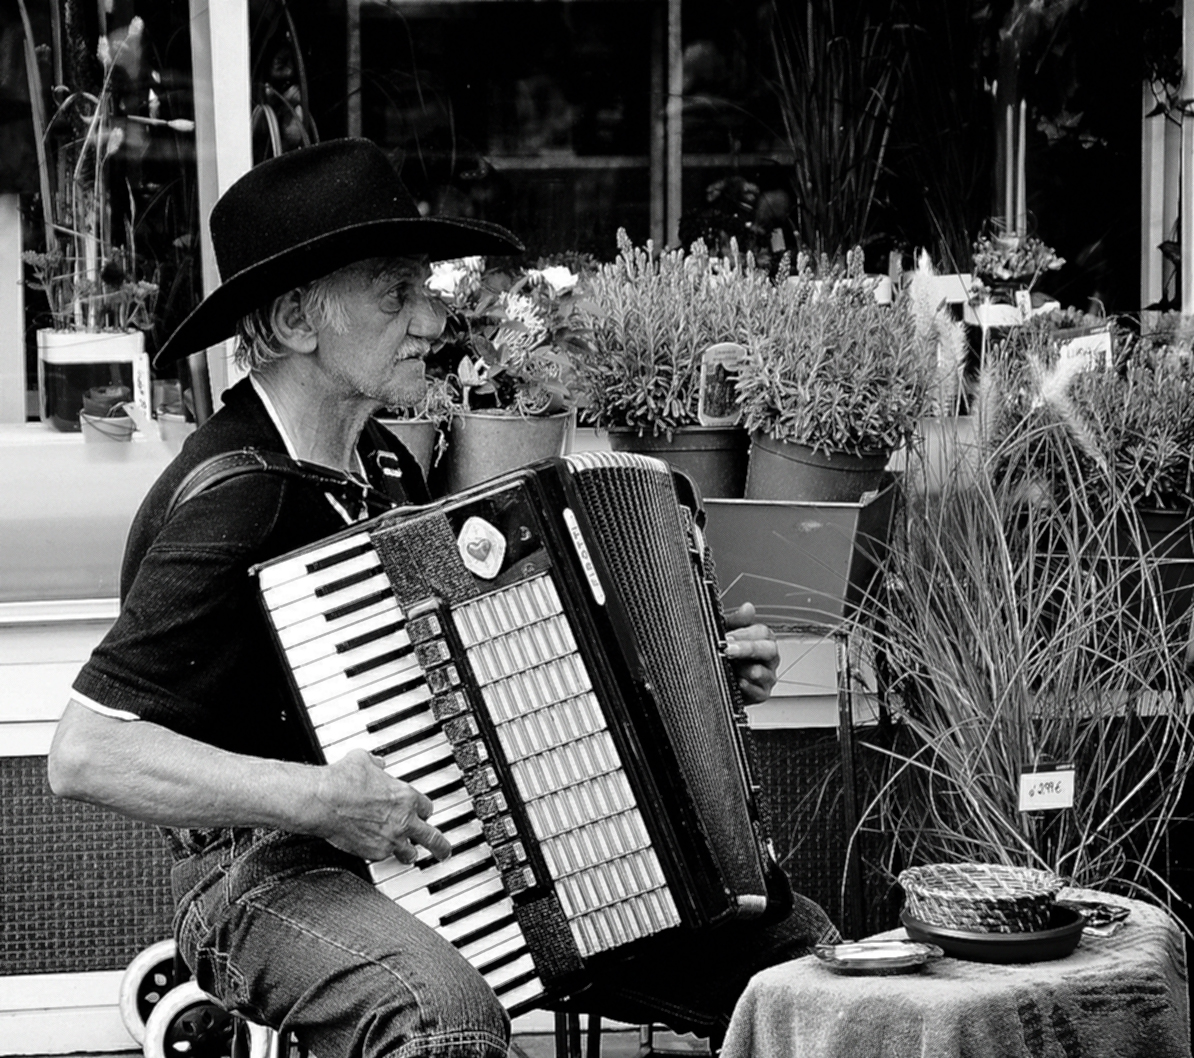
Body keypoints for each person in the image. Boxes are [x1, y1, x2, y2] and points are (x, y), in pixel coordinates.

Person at [48, 139, 836, 1058]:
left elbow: (482, 670)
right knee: (441, 1021)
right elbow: (86, 752)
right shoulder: (238, 496)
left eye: (428, 289)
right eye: (396, 292)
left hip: (447, 840)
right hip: (259, 871)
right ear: (300, 318)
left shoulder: (381, 462)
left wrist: (692, 679)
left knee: (794, 955)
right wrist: (319, 801)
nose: (433, 320)